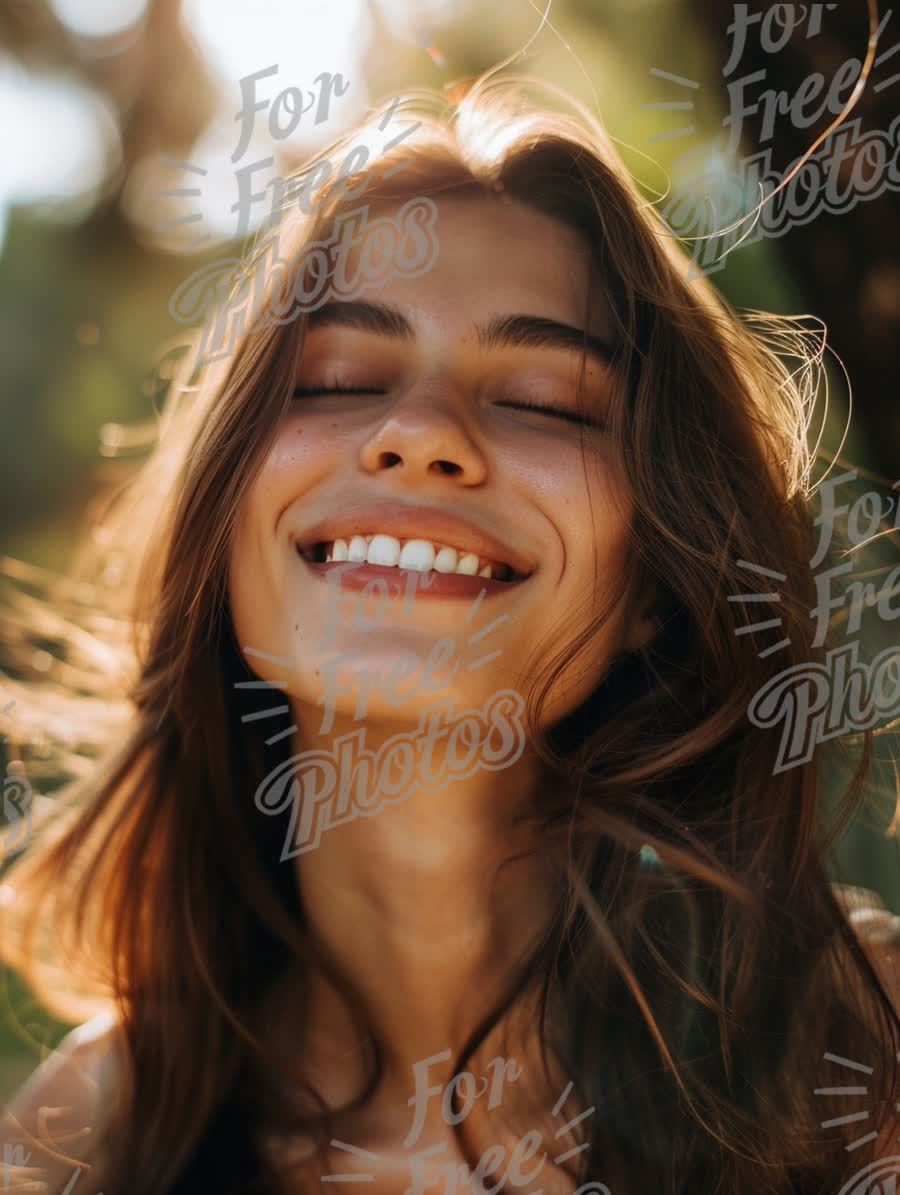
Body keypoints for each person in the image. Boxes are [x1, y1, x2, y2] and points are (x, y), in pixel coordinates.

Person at [2, 75, 899, 1195]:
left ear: (663, 582)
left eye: (544, 399)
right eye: (338, 378)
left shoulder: (863, 1053)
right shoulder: (87, 1137)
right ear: (226, 527)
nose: (418, 433)